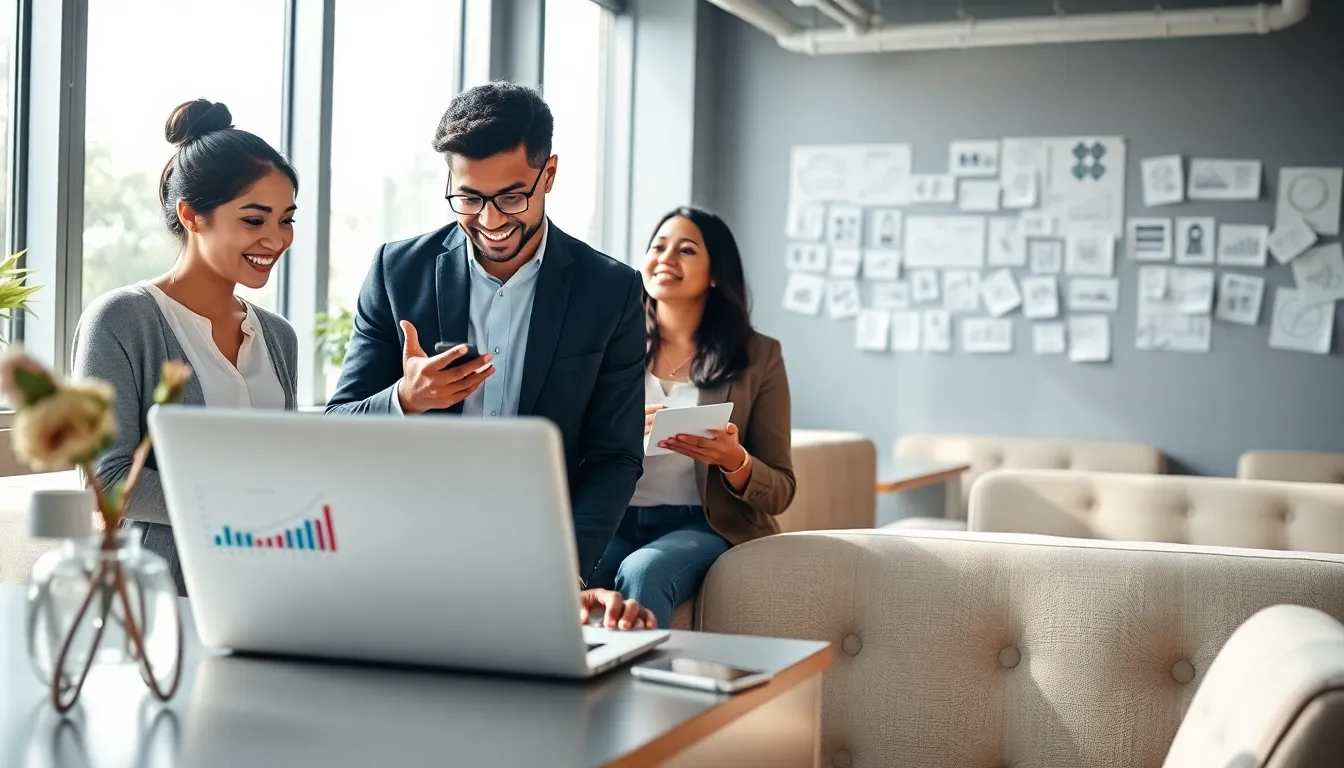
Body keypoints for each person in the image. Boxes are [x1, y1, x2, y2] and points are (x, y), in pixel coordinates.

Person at [325, 81, 646, 594]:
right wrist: (406, 400)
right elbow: (336, 427)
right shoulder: (396, 272)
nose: (491, 219)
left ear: (550, 174)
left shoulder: (609, 289)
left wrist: (569, 566)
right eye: (469, 197)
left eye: (512, 196)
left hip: (540, 546)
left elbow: (615, 456)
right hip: (408, 547)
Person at [71, 99, 301, 596]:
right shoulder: (123, 320)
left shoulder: (279, 337)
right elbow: (105, 481)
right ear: (192, 216)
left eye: (286, 219)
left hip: (271, 586)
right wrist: (237, 507)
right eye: (255, 219)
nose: (277, 239)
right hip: (159, 596)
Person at [587, 207, 796, 629]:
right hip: (609, 516)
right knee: (568, 568)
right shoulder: (604, 344)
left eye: (685, 250)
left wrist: (734, 460)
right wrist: (616, 433)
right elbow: (568, 444)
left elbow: (781, 491)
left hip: (699, 522)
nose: (666, 258)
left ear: (716, 272)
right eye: (658, 247)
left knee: (646, 569)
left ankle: (647, 694)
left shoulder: (759, 357)